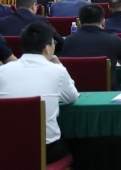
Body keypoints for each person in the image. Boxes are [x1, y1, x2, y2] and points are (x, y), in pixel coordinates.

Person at [0, 22, 78, 164]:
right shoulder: (57, 71)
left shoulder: (2, 71)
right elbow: (72, 97)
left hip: (5, 149)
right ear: (47, 48)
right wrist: (59, 64)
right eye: (53, 43)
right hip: (46, 150)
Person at [61, 5, 121, 90]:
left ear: (79, 22)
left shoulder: (68, 40)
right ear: (103, 22)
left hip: (75, 91)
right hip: (108, 92)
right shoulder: (114, 40)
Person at [0, 0, 64, 49]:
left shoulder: (2, 22)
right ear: (34, 6)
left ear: (15, 6)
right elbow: (60, 41)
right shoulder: (41, 20)